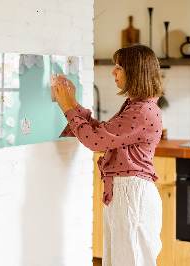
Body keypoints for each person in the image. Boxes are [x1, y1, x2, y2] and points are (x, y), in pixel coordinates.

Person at [52, 44, 164, 266]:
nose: (113, 72)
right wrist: (73, 104)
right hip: (127, 193)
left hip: (132, 195)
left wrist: (67, 108)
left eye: (119, 67)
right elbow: (103, 133)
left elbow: (95, 141)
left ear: (135, 72)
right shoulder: (137, 106)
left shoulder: (141, 111)